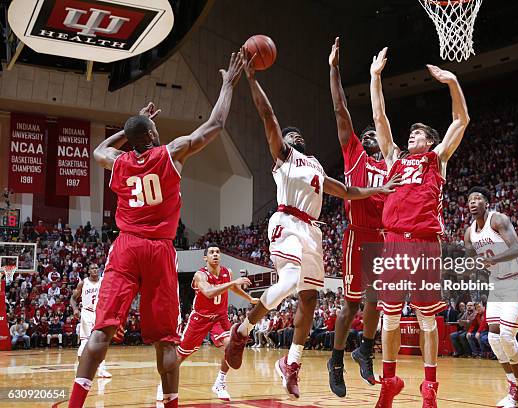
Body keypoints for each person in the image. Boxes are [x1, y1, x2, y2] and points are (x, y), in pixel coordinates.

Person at [67, 49, 245, 408]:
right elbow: (215, 126)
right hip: (160, 249)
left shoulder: (118, 162)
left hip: (127, 246)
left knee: (101, 332)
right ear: (152, 133)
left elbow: (100, 149)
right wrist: (227, 84)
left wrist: (128, 130)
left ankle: (75, 404)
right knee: (165, 339)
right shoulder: (171, 152)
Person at [224, 51, 399, 400]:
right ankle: (241, 330)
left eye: (299, 136)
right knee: (289, 281)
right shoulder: (284, 158)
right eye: (291, 136)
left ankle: (292, 363)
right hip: (287, 220)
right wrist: (253, 80)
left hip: (312, 231)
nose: (296, 137)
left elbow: (347, 190)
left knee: (309, 299)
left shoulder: (316, 166)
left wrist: (375, 190)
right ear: (283, 144)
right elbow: (268, 116)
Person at [370, 47, 470, 407]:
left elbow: (461, 121)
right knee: (390, 320)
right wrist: (375, 77)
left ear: (429, 141)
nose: (411, 136)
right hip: (394, 242)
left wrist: (453, 81)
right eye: (409, 134)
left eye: (417, 134)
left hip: (426, 244)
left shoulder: (436, 159)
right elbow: (380, 117)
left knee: (428, 322)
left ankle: (429, 387)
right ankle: (390, 381)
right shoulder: (394, 159)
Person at [327, 37, 386, 397]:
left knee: (377, 299)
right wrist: (333, 70)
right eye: (362, 136)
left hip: (383, 236)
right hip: (358, 235)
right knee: (350, 304)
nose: (366, 137)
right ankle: (335, 359)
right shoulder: (355, 156)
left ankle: (364, 350)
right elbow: (340, 110)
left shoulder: (391, 163)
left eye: (371, 135)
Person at [464, 187, 518, 407]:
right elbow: (471, 261)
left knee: (507, 335)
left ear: (486, 203)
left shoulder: (498, 220)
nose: (473, 202)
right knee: (493, 338)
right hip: (498, 282)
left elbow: (516, 248)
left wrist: (492, 260)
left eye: (478, 199)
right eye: (469, 200)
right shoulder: (469, 233)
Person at [156, 244, 256, 402]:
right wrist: (232, 283)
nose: (215, 254)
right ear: (205, 258)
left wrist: (249, 298)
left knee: (231, 347)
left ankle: (220, 383)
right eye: (211, 252)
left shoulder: (227, 272)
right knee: (181, 355)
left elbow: (233, 289)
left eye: (217, 252)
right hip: (200, 319)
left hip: (219, 317)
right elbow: (209, 293)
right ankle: (165, 383)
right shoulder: (199, 275)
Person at [71, 264, 110, 378]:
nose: (95, 270)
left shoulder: (103, 281)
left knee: (101, 341)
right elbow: (73, 298)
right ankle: (81, 366)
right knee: (85, 341)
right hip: (87, 313)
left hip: (100, 313)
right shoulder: (83, 283)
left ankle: (102, 370)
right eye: (92, 268)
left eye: (96, 268)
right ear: (88, 271)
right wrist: (75, 309)